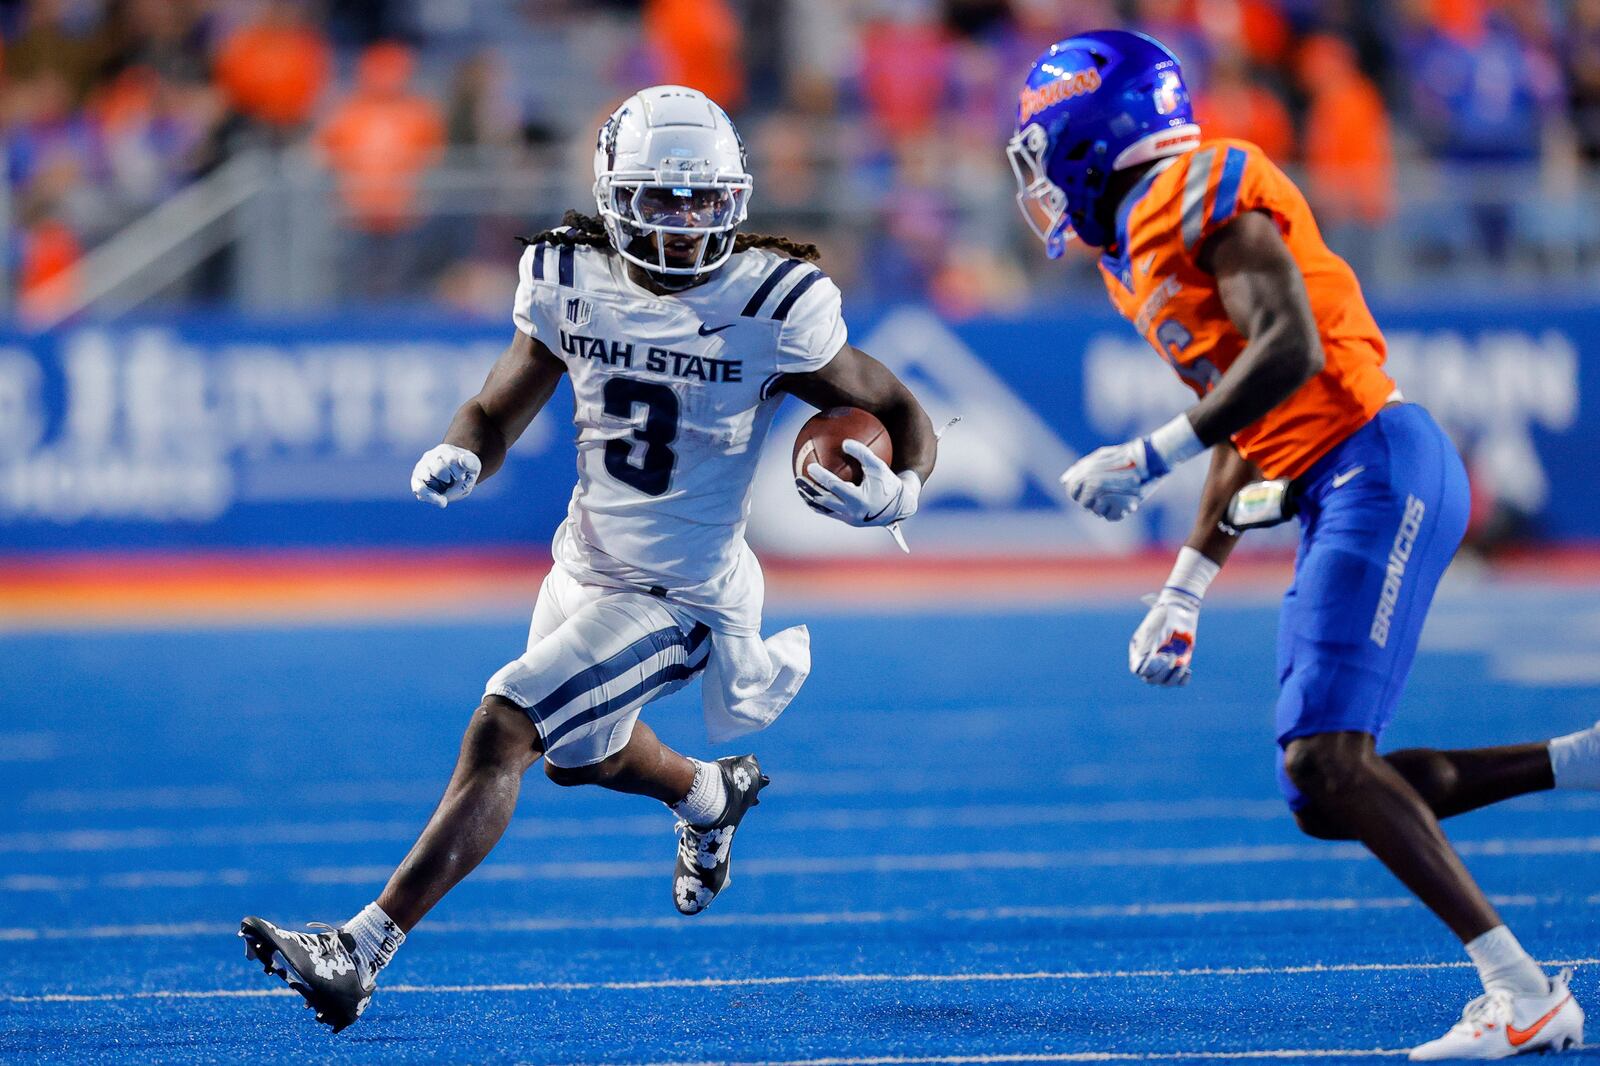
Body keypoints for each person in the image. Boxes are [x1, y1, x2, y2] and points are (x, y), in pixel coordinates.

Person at [239, 84, 937, 1032]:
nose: (685, 225)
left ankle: (357, 951)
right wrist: (464, 452)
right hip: (585, 564)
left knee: (506, 725)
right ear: (614, 199)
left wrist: (901, 491)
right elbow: (495, 407)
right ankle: (709, 792)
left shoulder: (771, 302)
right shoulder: (570, 276)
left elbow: (896, 408)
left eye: (703, 201)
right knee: (579, 759)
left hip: (685, 595)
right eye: (662, 200)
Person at [1007, 30, 1597, 1060]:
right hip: (1340, 482)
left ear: (1091, 138)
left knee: (1327, 760)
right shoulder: (1133, 250)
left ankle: (1523, 995)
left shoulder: (1188, 191)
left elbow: (1292, 347)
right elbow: (1244, 421)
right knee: (1322, 792)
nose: (1039, 179)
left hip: (1374, 462)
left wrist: (1148, 455)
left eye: (1042, 148)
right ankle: (1580, 763)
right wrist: (1184, 588)